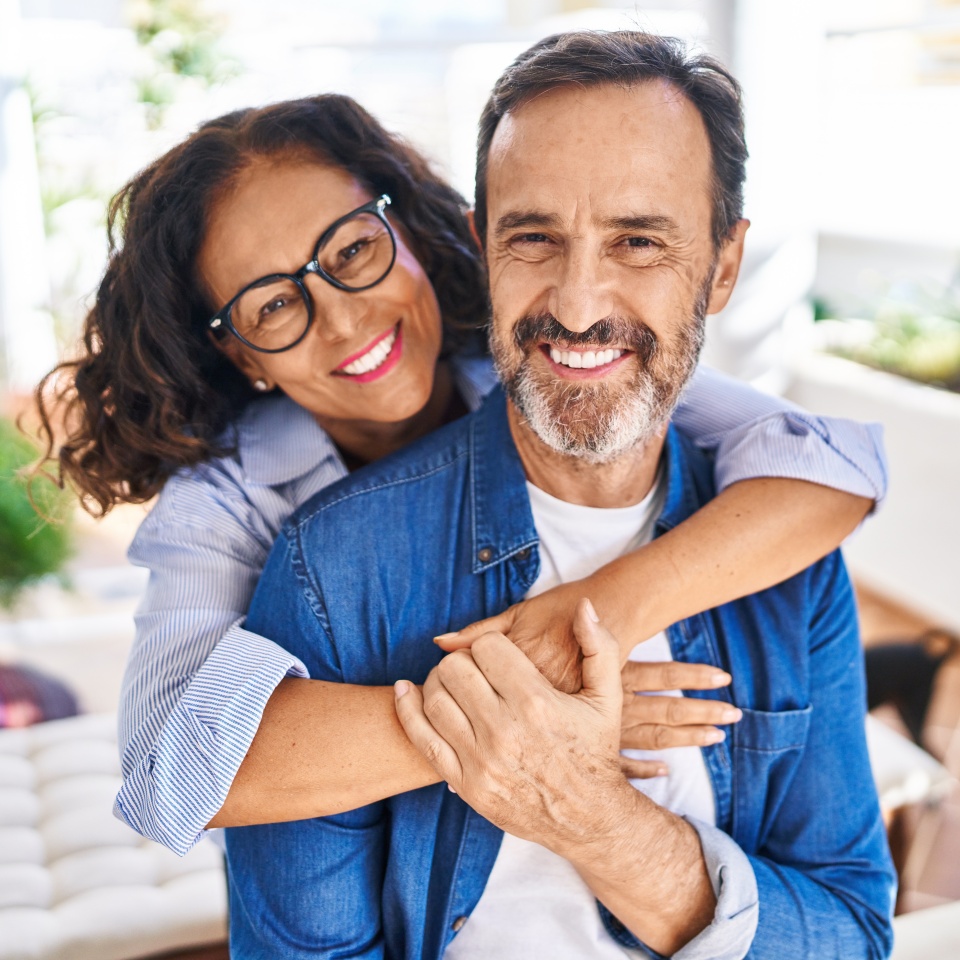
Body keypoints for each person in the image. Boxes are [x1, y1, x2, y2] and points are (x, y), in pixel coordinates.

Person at [34, 91, 886, 858]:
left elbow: (830, 462)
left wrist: (602, 615)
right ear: (238, 351)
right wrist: (523, 717)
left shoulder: (541, 358)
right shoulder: (228, 502)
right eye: (275, 304)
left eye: (354, 250)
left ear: (409, 231)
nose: (343, 317)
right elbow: (164, 770)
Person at [226, 31, 895, 960]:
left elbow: (854, 935)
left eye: (639, 240)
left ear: (724, 266)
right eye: (534, 237)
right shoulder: (338, 565)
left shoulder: (787, 556)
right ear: (481, 249)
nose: (578, 305)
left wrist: (592, 819)